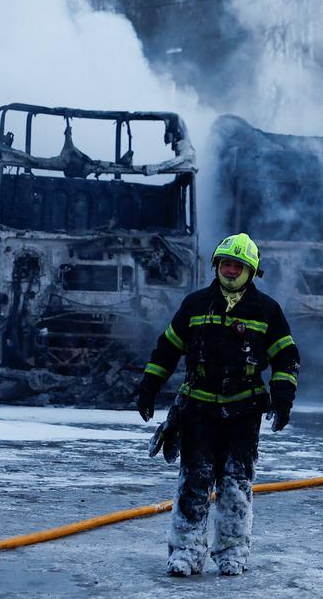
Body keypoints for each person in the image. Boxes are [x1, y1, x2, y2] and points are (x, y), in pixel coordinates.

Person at [134, 232, 300, 577]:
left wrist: (283, 400)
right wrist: (149, 388)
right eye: (225, 263)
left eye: (237, 265)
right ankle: (186, 552)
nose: (229, 270)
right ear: (216, 266)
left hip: (243, 413)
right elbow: (167, 349)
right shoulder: (195, 306)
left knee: (235, 484)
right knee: (194, 481)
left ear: (251, 270)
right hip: (198, 411)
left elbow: (286, 359)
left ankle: (231, 552)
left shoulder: (267, 311)